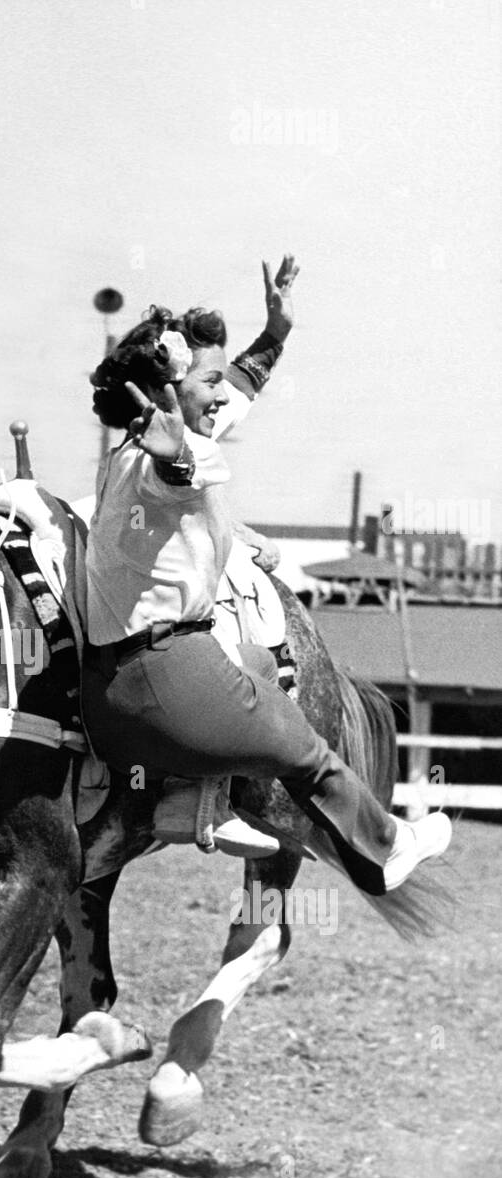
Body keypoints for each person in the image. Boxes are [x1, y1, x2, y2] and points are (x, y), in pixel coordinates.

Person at [81, 257, 450, 895]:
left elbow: (238, 388)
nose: (222, 395)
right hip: (166, 676)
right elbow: (177, 475)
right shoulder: (161, 459)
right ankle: (386, 847)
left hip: (109, 690)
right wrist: (179, 465)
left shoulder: (138, 448)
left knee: (256, 659)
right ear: (168, 392)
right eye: (209, 381)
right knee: (304, 749)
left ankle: (195, 798)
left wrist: (276, 332)